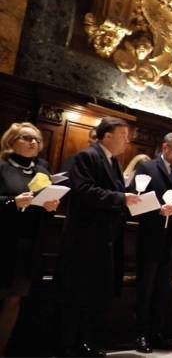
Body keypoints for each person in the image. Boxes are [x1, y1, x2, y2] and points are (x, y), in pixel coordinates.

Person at [57, 116, 141, 357]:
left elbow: (116, 194)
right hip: (85, 240)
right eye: (123, 136)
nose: (127, 141)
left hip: (106, 239)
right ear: (107, 136)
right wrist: (121, 199)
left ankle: (87, 341)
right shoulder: (86, 157)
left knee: (96, 294)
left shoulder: (113, 161)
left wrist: (131, 201)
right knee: (78, 294)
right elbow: (84, 191)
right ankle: (70, 344)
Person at [130, 132, 172, 353]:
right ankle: (140, 335)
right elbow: (135, 202)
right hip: (151, 237)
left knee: (163, 291)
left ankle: (157, 333)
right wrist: (158, 210)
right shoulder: (148, 168)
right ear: (165, 147)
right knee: (146, 289)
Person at [0, 123, 60, 356]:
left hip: (29, 243)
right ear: (11, 141)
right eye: (26, 138)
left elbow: (46, 201)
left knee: (15, 298)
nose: (32, 142)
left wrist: (50, 205)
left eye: (36, 139)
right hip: (4, 238)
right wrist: (12, 202)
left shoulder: (43, 168)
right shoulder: (2, 166)